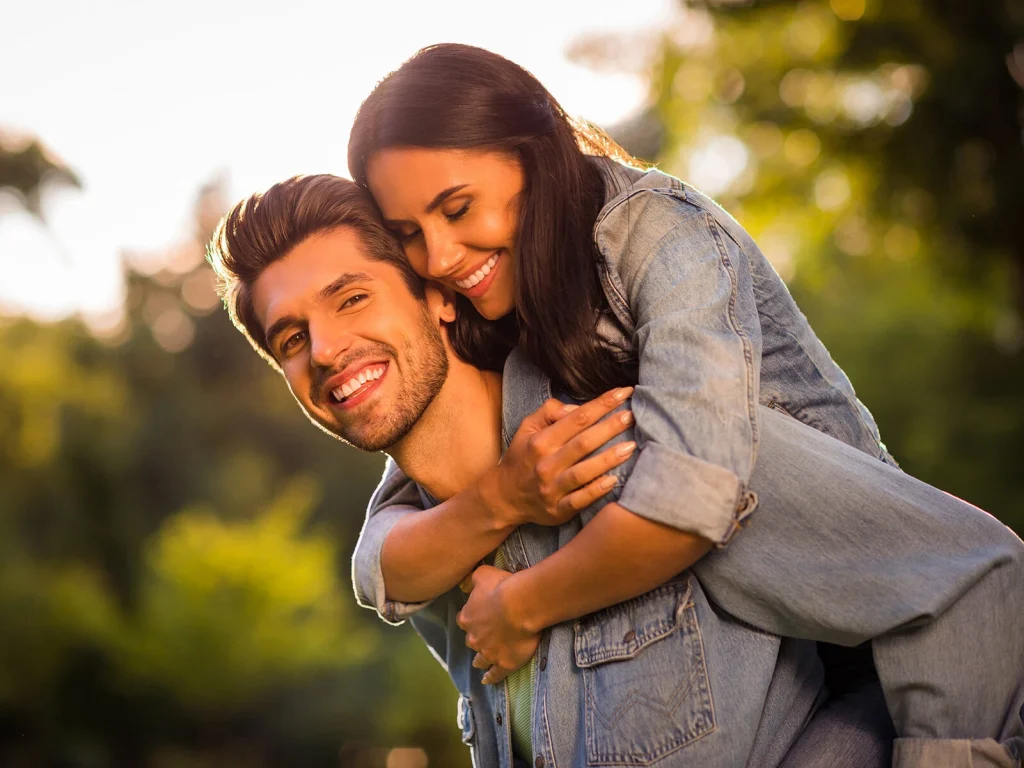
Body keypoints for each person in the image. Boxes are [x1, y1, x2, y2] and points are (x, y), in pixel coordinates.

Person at [344, 43, 1024, 767]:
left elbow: (688, 502)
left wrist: (522, 604)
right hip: (768, 662)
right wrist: (494, 501)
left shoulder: (661, 235)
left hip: (877, 623)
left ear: (530, 153)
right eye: (409, 235)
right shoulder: (495, 305)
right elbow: (400, 521)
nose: (441, 257)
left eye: (458, 208)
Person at [208, 174, 909, 768]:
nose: (324, 350)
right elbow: (380, 567)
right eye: (291, 338)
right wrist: (501, 500)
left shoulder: (642, 441)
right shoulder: (437, 577)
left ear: (438, 294)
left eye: (351, 298)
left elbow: (935, 583)